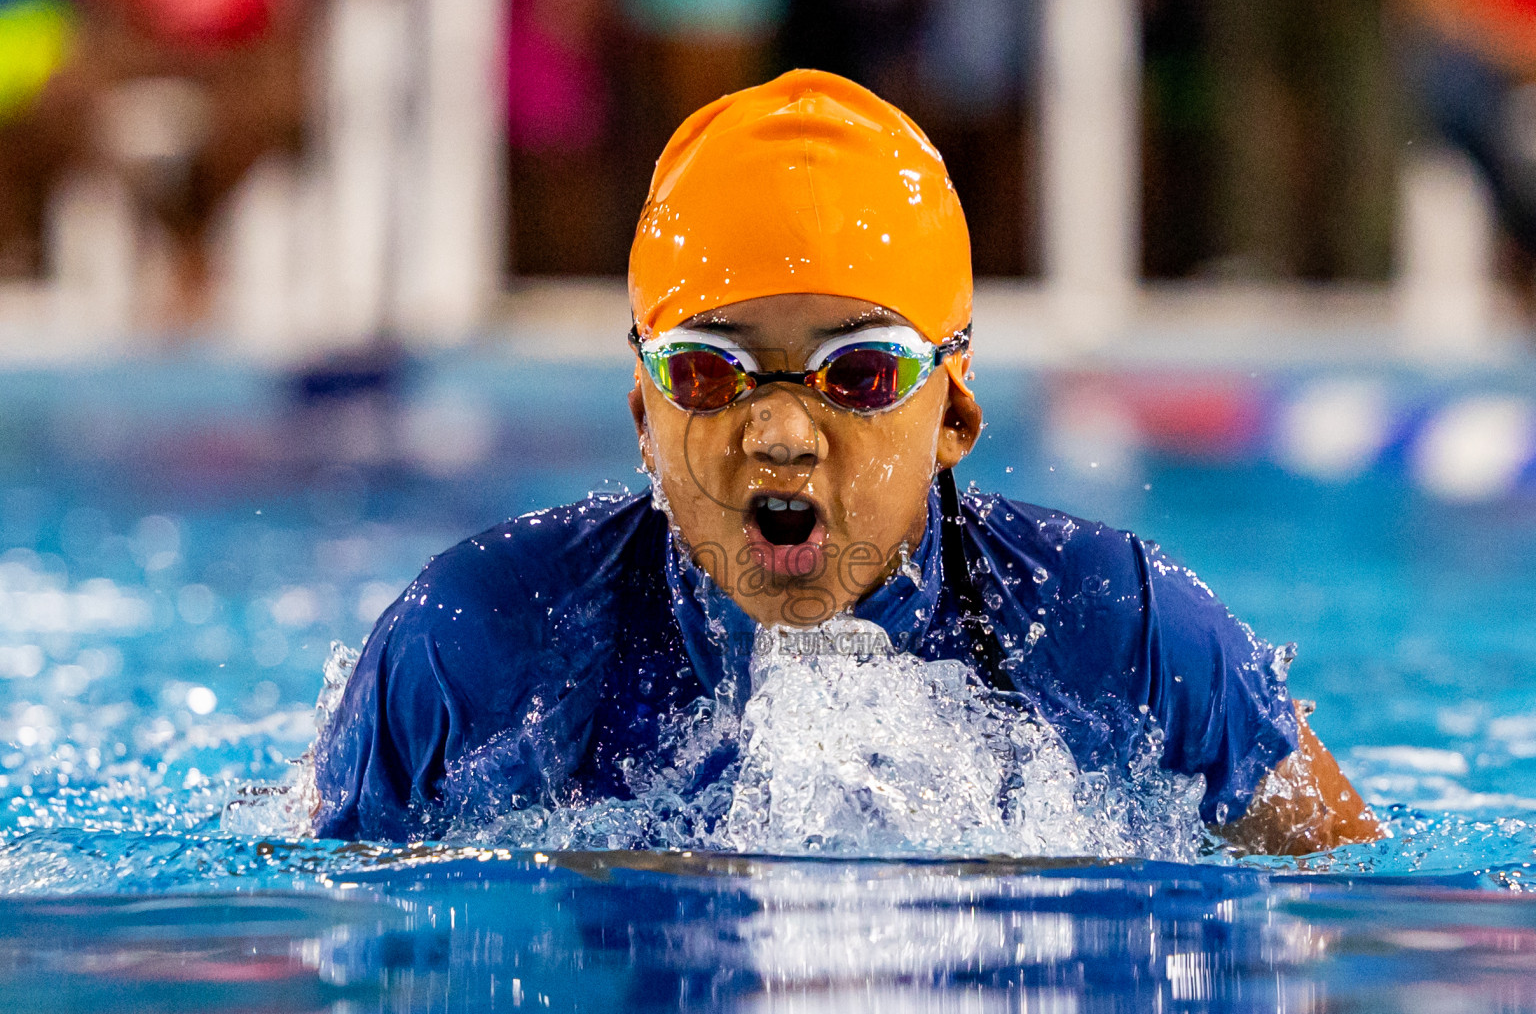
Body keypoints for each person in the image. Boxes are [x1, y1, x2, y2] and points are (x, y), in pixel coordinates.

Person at [314, 70, 1381, 855]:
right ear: (645, 412)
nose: (780, 432)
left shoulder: (1128, 637)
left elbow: (1360, 916)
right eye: (711, 371)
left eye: (859, 372)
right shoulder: (473, 649)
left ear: (954, 413)